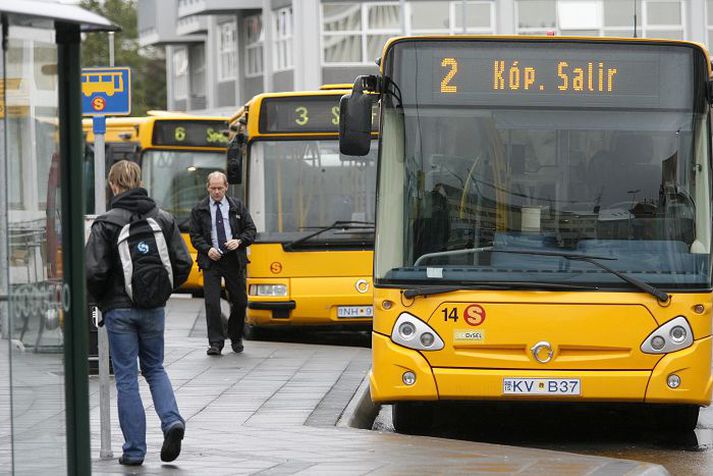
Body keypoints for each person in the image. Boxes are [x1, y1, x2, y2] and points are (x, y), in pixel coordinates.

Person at [86, 160, 192, 466]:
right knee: (155, 368)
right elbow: (183, 264)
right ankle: (172, 421)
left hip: (119, 311)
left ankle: (134, 451)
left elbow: (94, 271)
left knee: (127, 378)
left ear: (113, 185)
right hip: (153, 308)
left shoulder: (106, 223)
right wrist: (160, 292)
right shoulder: (164, 218)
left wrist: (103, 300)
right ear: (139, 181)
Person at [189, 171, 256, 355]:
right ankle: (216, 343)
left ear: (226, 187)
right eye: (213, 188)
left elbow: (251, 230)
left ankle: (235, 335)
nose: (217, 192)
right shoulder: (199, 209)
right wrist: (207, 249)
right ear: (208, 188)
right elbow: (194, 236)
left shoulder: (237, 206)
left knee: (240, 301)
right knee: (212, 303)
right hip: (211, 261)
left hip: (233, 259)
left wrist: (239, 241)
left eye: (220, 188)